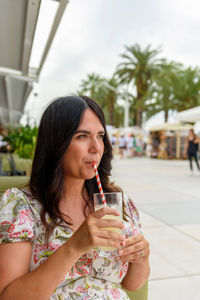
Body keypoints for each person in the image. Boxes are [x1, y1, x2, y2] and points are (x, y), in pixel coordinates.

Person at [0, 95, 150, 299]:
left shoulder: (118, 203)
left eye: (100, 136)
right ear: (56, 143)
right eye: (82, 136)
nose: (96, 147)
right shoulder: (21, 206)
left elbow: (133, 284)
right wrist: (74, 246)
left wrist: (141, 257)